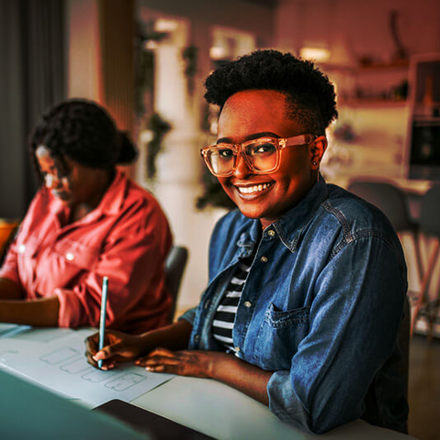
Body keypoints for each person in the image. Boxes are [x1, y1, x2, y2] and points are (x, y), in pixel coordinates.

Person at [86, 50, 408, 434]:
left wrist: (210, 365)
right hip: (225, 419)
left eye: (262, 148)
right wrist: (142, 341)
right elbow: (214, 316)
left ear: (315, 151)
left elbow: (315, 403)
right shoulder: (231, 228)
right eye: (226, 152)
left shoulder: (354, 241)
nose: (239, 171)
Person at [0, 99, 172, 334]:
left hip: (111, 350)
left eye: (62, 172)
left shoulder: (139, 215)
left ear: (97, 162)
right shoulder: (49, 197)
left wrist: (4, 312)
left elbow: (92, 307)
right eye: (46, 173)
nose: (51, 184)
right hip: (39, 338)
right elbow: (15, 268)